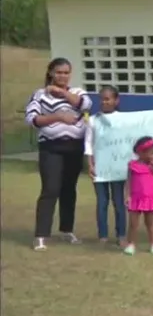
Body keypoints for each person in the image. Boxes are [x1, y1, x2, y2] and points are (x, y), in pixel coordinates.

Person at [26, 57, 93, 251]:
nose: (63, 76)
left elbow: (85, 105)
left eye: (66, 72)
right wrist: (58, 116)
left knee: (69, 189)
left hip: (74, 147)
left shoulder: (77, 92)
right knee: (50, 189)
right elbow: (32, 119)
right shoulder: (40, 95)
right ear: (51, 73)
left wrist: (62, 92)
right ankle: (41, 235)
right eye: (59, 72)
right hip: (51, 147)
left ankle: (66, 230)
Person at [85, 85, 126, 244]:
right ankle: (102, 235)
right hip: (99, 166)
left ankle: (121, 234)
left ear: (116, 100)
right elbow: (89, 143)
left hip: (117, 166)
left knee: (118, 201)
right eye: (102, 99)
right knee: (102, 201)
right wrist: (90, 164)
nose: (104, 102)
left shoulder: (123, 119)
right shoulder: (93, 120)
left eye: (108, 99)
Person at [122, 137, 153, 255]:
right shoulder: (132, 165)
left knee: (150, 223)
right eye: (151, 153)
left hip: (149, 198)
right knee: (133, 223)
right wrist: (127, 195)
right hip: (135, 198)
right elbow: (129, 181)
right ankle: (131, 244)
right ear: (140, 152)